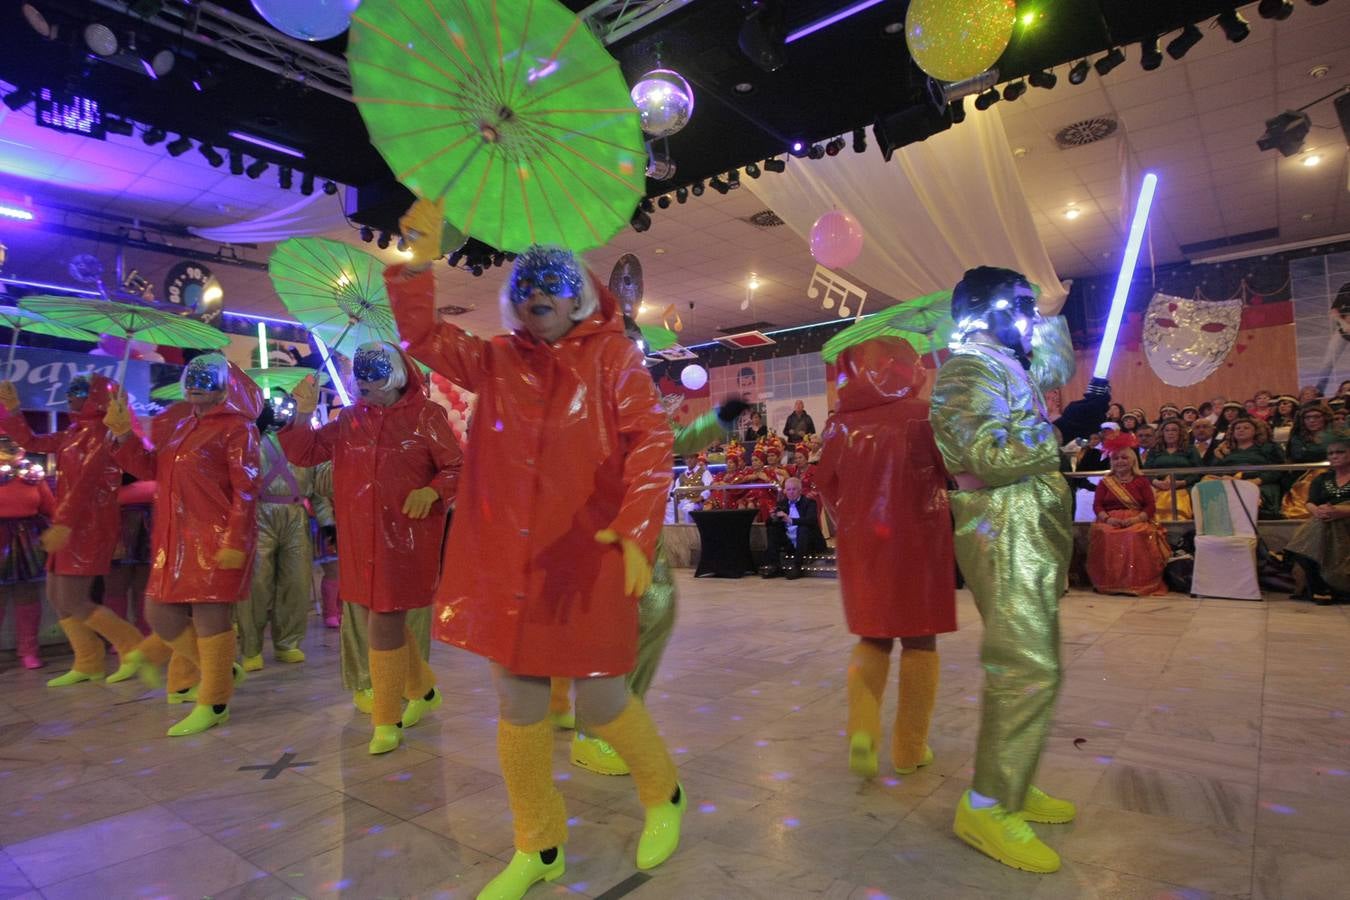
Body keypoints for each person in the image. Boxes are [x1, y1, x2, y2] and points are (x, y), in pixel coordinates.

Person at [390, 199, 685, 899]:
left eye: (552, 286)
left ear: (579, 295)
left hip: (586, 559)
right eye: (525, 289)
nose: (538, 299)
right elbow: (425, 335)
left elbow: (652, 442)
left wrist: (639, 528)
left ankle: (662, 794)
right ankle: (538, 843)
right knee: (517, 703)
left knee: (604, 702)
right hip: (510, 565)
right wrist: (413, 261)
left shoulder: (613, 357)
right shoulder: (493, 361)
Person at [930, 266, 1081, 874]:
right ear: (984, 311)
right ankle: (988, 804)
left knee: (1033, 659)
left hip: (1030, 525)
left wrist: (1047, 323)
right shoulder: (967, 369)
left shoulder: (1010, 363)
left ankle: (1011, 780)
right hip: (1004, 524)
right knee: (1026, 665)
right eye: (1020, 305)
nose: (1032, 316)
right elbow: (981, 458)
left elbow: (1058, 370)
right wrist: (1064, 432)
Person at [280, 343, 459, 755]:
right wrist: (303, 413)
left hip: (406, 538)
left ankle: (387, 719)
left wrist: (432, 491)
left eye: (374, 376)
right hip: (361, 538)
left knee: (384, 621)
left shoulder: (426, 416)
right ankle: (423, 689)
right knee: (379, 617)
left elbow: (456, 467)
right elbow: (305, 452)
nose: (365, 385)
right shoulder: (350, 420)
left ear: (395, 374)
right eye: (360, 377)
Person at [815, 336, 955, 779]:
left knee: (873, 636)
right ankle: (910, 747)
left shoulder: (838, 425)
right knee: (920, 640)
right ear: (904, 368)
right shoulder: (925, 416)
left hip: (862, 544)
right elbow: (954, 469)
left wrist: (852, 522)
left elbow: (826, 486)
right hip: (920, 540)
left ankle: (863, 727)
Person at [104, 355, 262, 736]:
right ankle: (221, 672)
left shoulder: (238, 429)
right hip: (173, 539)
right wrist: (125, 437)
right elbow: (151, 468)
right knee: (159, 612)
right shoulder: (181, 426)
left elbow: (247, 488)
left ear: (224, 385)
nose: (196, 385)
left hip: (216, 538)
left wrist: (235, 539)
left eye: (206, 379)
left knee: (210, 621)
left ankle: (215, 700)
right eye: (192, 378)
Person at [0, 374, 156, 688]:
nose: (71, 395)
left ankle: (132, 647)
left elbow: (87, 484)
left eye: (80, 390)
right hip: (69, 524)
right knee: (58, 595)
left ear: (96, 398)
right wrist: (12, 410)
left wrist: (63, 524)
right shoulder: (74, 431)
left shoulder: (103, 435)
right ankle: (88, 660)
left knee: (72, 596)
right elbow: (33, 443)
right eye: (70, 388)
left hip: (88, 525)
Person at [234, 392, 323, 672]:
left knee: (295, 580)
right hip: (260, 513)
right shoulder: (249, 439)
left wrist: (327, 520)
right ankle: (251, 646)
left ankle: (288, 642)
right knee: (257, 583)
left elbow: (319, 484)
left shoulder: (305, 442)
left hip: (296, 514)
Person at [1087, 435, 1170, 596]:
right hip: (1110, 519)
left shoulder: (1141, 481)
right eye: (1116, 458)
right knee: (1105, 533)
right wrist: (1108, 519)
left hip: (1137, 518)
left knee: (1135, 533)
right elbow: (1097, 505)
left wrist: (1136, 519)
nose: (1120, 461)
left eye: (1124, 457)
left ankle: (1137, 582)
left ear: (1132, 460)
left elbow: (1150, 505)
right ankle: (1110, 583)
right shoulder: (1105, 482)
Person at [0, 436, 54, 669]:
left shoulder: (32, 476)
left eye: (11, 443)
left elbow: (51, 507)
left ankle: (28, 651)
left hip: (28, 538)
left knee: (28, 593)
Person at [1281, 430, 1350, 604]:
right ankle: (1320, 586)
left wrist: (1341, 511)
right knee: (1320, 525)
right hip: (1325, 518)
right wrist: (1318, 511)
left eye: (1340, 452)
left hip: (1345, 518)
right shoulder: (1322, 478)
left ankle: (1323, 586)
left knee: (1320, 528)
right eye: (1331, 453)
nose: (1335, 456)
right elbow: (1310, 502)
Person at [1213, 418, 1285, 518]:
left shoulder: (1269, 447)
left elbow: (1278, 469)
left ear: (1255, 431)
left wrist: (1257, 480)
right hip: (1229, 481)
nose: (1241, 430)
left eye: (1246, 428)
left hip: (1260, 482)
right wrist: (1225, 477)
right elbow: (1216, 469)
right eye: (1237, 428)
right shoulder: (1225, 450)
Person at [762, 477, 822, 579]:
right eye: (788, 490)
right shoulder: (782, 503)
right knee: (772, 529)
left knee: (802, 528)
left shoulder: (809, 503)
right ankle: (775, 566)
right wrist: (772, 518)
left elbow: (811, 521)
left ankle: (797, 567)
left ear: (800, 490)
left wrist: (790, 520)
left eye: (794, 489)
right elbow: (768, 523)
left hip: (807, 540)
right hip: (789, 539)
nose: (791, 492)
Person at [1282, 401, 1334, 518]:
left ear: (1325, 418)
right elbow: (1299, 456)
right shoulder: (1297, 437)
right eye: (1307, 417)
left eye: (1316, 417)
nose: (1311, 420)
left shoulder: (1335, 434)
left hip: (1335, 471)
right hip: (1304, 472)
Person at [1146, 419, 1201, 521]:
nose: (1170, 433)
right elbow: (1146, 472)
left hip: (1184, 487)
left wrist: (1182, 482)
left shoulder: (1190, 449)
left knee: (1179, 505)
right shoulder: (1154, 450)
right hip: (1158, 487)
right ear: (1162, 433)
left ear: (1180, 433)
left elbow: (1198, 472)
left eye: (1174, 430)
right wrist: (1156, 482)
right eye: (1167, 430)